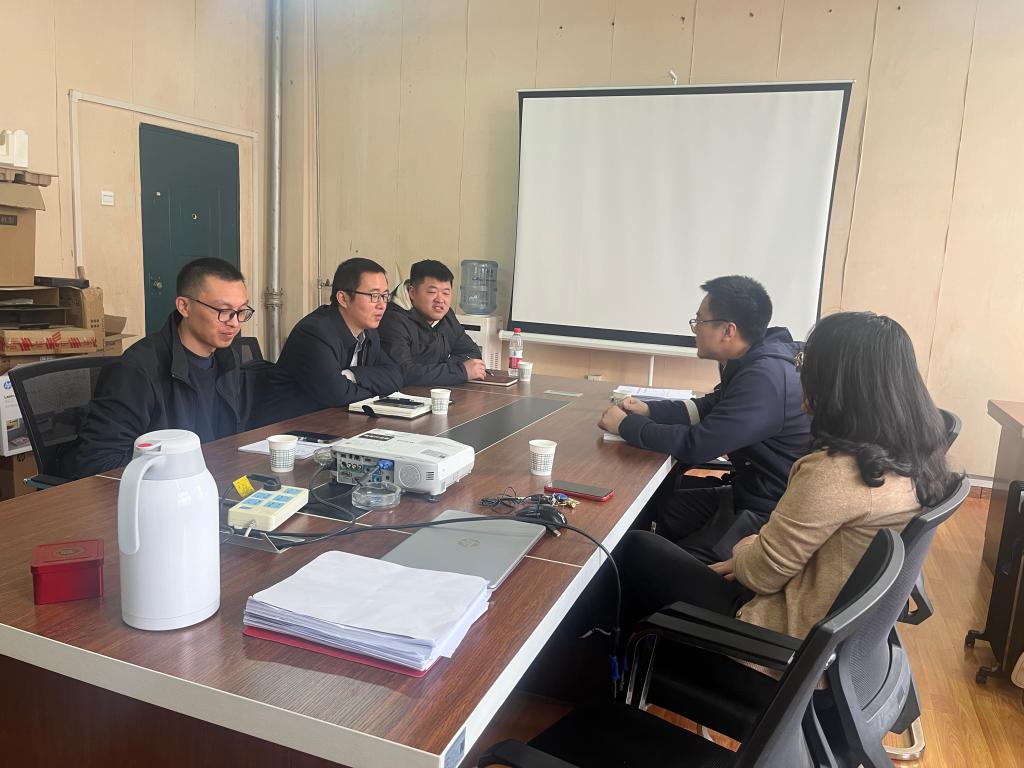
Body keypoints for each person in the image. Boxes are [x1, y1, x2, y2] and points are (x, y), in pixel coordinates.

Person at [618, 311, 963, 639]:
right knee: (667, 522)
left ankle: (608, 656)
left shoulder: (834, 471)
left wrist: (747, 549)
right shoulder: (909, 457)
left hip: (770, 636)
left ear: (835, 382)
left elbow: (761, 575)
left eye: (803, 362)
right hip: (819, 625)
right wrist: (755, 556)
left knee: (636, 547)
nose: (798, 373)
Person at [598, 275, 810, 563]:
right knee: (660, 507)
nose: (695, 329)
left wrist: (625, 425)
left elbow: (697, 446)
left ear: (728, 330)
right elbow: (713, 406)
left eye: (699, 321)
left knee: (648, 557)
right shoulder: (752, 359)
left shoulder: (765, 378)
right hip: (746, 491)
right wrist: (649, 411)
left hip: (767, 512)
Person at [61, 257, 253, 478]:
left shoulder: (227, 359)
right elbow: (100, 463)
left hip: (210, 480)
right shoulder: (136, 370)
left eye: (242, 311)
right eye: (223, 310)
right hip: (162, 490)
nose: (234, 323)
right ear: (184, 306)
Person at [273, 257, 403, 412]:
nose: (381, 305)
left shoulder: (369, 333)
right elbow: (337, 394)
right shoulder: (314, 333)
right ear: (343, 298)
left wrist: (352, 376)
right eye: (374, 296)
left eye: (384, 296)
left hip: (333, 419)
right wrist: (377, 392)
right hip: (288, 422)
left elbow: (395, 376)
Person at [378, 259, 487, 386]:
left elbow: (471, 353)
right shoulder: (393, 320)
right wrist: (459, 371)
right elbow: (403, 373)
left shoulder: (447, 316)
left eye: (446, 293)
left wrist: (446, 371)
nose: (440, 300)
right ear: (412, 293)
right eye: (432, 292)